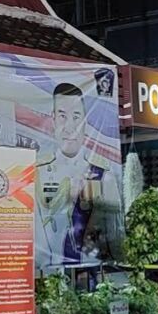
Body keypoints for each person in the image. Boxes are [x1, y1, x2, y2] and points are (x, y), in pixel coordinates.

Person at [36, 82, 120, 265]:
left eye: (76, 117)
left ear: (85, 122)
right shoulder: (37, 171)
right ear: (53, 120)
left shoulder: (103, 173)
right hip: (47, 270)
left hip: (93, 267)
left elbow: (115, 226)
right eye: (62, 116)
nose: (70, 126)